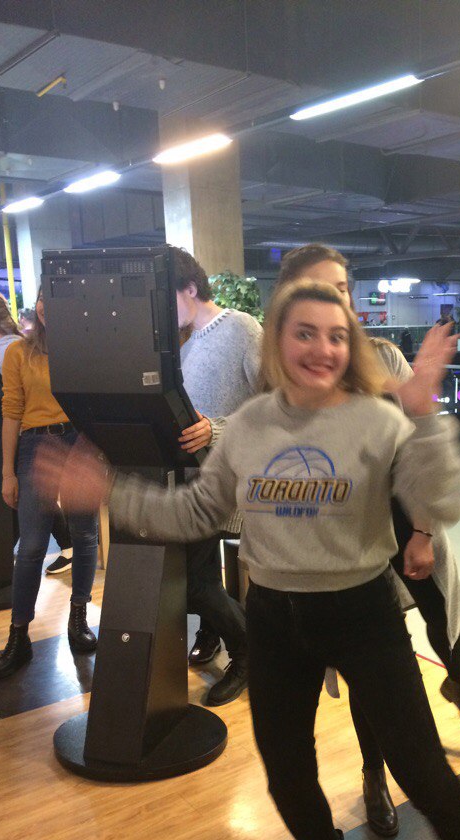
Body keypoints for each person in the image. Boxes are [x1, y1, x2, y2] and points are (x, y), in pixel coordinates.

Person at [37, 281, 460, 840]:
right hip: (277, 618)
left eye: (336, 335)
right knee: (286, 772)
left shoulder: (376, 421)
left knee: (423, 771)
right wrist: (111, 491)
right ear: (277, 343)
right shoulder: (252, 427)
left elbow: (442, 501)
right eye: (304, 332)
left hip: (364, 613)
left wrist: (425, 413)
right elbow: (196, 511)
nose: (322, 348)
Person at [275, 245, 460, 840]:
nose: (335, 299)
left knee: (441, 611)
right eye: (319, 288)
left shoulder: (383, 359)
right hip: (346, 548)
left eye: (342, 287)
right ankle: (374, 776)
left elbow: (417, 455)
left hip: (404, 518)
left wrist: (422, 530)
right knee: (366, 668)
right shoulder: (283, 380)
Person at [0, 287, 99, 680]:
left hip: (80, 440)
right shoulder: (18, 352)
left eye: (54, 297)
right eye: (42, 296)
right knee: (32, 545)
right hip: (34, 443)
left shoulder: (83, 351)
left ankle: (78, 617)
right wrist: (8, 472)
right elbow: (11, 412)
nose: (45, 305)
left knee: (84, 534)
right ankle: (18, 635)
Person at [174, 246, 262, 706]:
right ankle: (215, 636)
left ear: (190, 288)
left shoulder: (242, 329)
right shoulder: (189, 343)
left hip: (228, 478)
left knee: (193, 583)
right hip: (196, 480)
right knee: (197, 578)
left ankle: (250, 654)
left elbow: (277, 404)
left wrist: (217, 428)